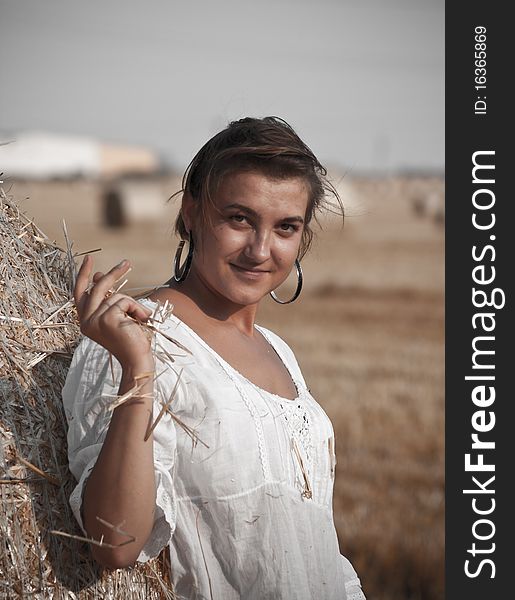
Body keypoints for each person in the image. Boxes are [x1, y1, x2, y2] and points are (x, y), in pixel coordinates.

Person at [63, 116, 366, 599]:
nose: (260, 250)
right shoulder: (134, 342)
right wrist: (138, 371)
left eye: (286, 227)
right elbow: (115, 543)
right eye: (239, 219)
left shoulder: (279, 351)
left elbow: (311, 540)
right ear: (191, 213)